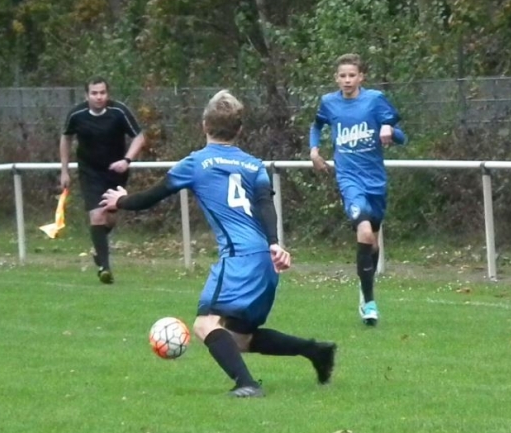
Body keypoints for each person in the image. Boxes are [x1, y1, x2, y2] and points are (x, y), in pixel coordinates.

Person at [101, 90, 337, 398]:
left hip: (239, 257)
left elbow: (151, 197)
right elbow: (265, 204)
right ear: (239, 129)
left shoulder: (196, 163)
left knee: (205, 324)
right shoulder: (253, 165)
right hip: (265, 258)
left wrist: (121, 200)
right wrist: (275, 244)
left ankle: (248, 384)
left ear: (204, 125)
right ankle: (316, 351)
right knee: (238, 339)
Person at [309, 53, 408, 326]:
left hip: (375, 181)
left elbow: (401, 136)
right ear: (336, 78)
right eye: (342, 76)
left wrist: (389, 131)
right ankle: (370, 302)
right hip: (349, 179)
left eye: (352, 75)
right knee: (363, 232)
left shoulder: (375, 100)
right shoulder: (329, 103)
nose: (347, 80)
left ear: (361, 77)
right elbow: (317, 125)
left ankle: (365, 290)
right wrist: (314, 150)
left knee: (372, 242)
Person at [60, 77, 145, 284]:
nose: (99, 97)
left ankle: (99, 248)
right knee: (97, 215)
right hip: (89, 172)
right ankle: (104, 268)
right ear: (86, 95)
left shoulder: (119, 112)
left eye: (102, 93)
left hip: (115, 172)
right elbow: (66, 137)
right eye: (94, 93)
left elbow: (139, 137)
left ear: (108, 94)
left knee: (110, 218)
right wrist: (64, 170)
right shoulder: (77, 114)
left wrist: (127, 160)